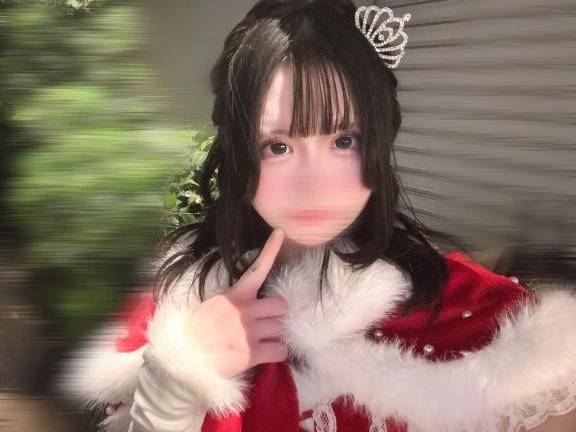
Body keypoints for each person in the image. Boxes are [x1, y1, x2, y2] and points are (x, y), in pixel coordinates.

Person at [55, 1, 576, 431]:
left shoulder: (475, 313)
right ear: (239, 154)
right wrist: (175, 380)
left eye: (343, 140)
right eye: (278, 146)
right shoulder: (181, 297)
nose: (314, 181)